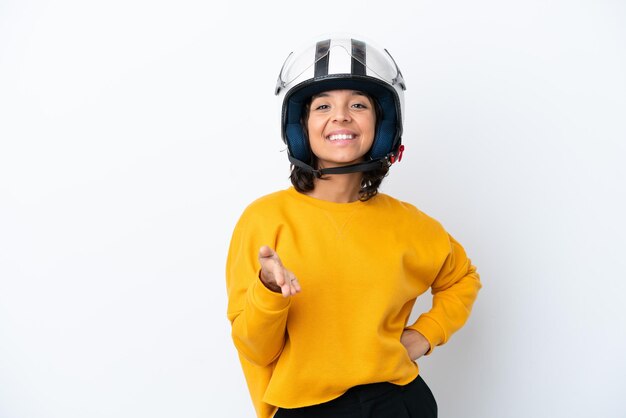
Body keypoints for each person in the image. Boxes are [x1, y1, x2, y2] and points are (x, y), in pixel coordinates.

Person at [226, 34, 481, 418]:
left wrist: (423, 336)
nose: (341, 115)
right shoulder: (264, 220)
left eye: (358, 105)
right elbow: (256, 350)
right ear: (301, 127)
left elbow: (462, 278)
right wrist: (268, 291)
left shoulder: (411, 224)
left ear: (382, 125)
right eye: (323, 105)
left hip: (397, 403)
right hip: (304, 407)